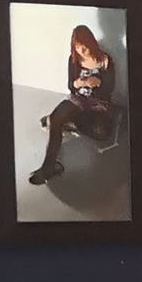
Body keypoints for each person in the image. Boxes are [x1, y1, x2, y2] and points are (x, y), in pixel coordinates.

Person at [30, 22, 120, 185]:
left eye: (84, 46)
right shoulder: (74, 60)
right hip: (78, 99)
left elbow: (110, 88)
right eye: (78, 47)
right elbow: (71, 86)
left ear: (91, 43)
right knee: (56, 119)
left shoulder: (105, 60)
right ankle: (48, 168)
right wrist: (79, 83)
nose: (82, 51)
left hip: (99, 103)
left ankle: (69, 122)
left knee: (102, 134)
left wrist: (98, 81)